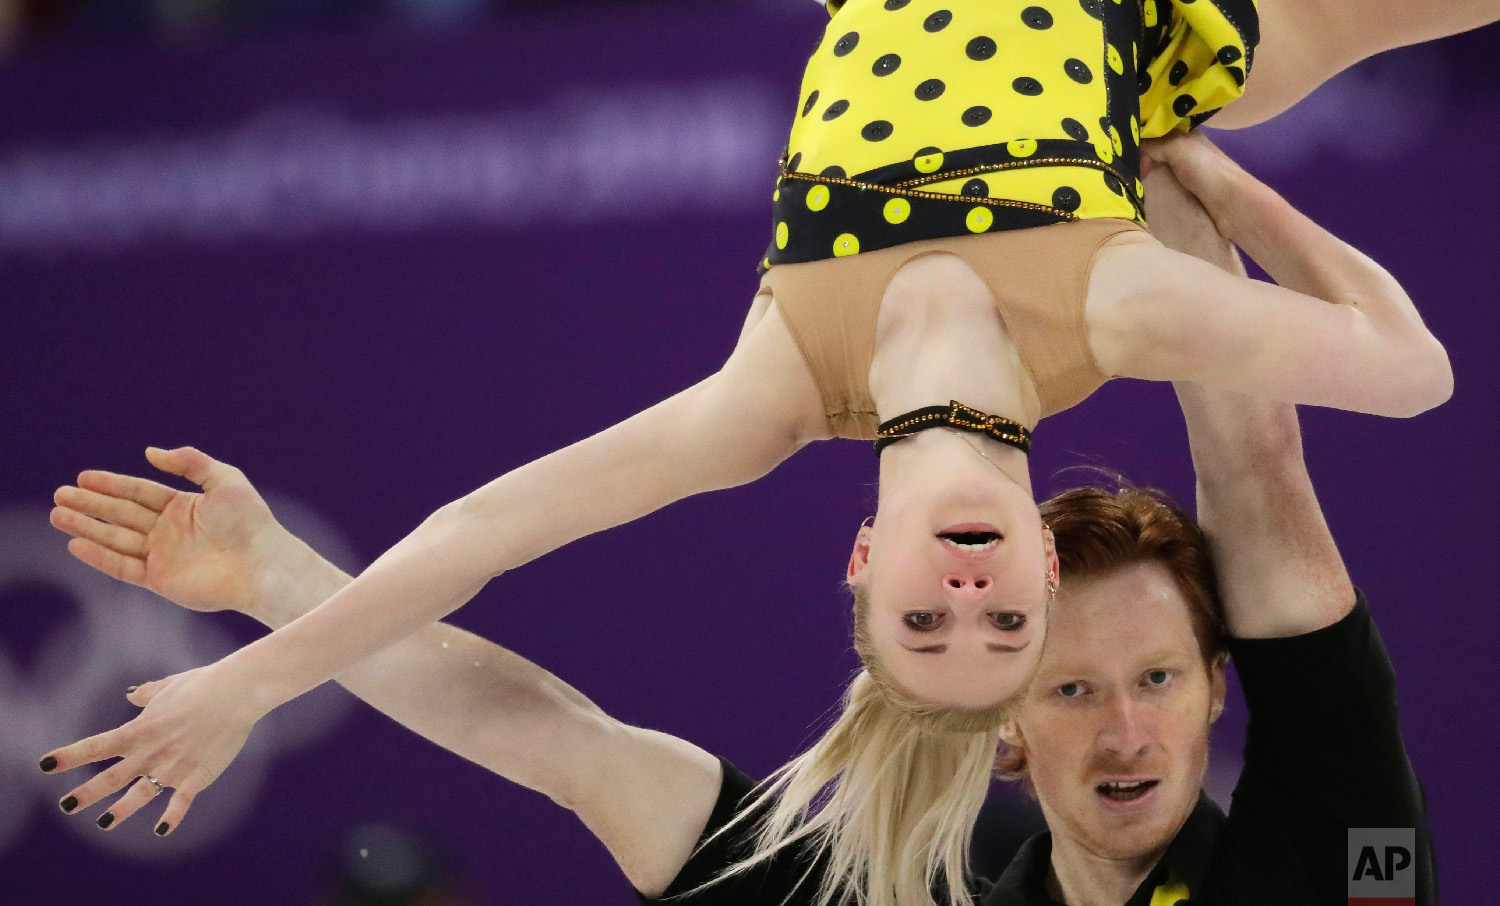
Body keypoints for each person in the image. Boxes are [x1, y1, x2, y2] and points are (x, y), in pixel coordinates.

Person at [36, 0, 1485, 897]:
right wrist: (1213, 172)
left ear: (862, 565)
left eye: (928, 620)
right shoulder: (1108, 309)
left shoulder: (775, 389)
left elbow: (517, 626)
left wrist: (260, 641)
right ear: (1041, 564)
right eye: (1020, 632)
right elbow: (1379, 391)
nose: (967, 590)